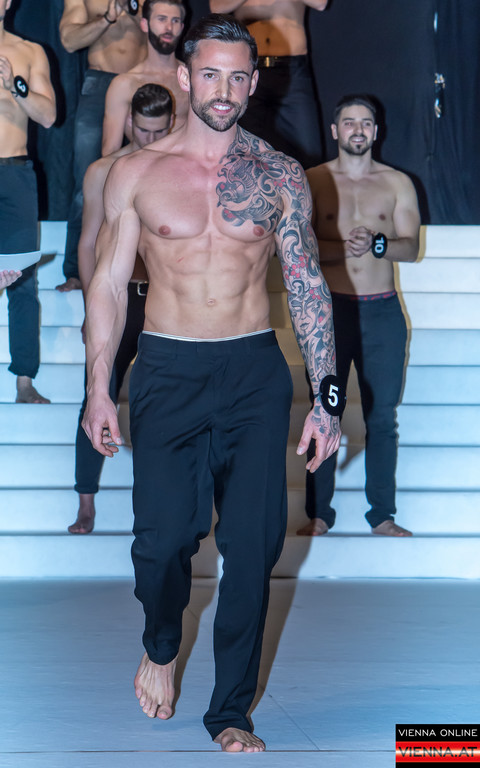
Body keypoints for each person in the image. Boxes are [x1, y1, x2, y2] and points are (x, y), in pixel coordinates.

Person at [82, 13, 340, 752]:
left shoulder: (280, 175)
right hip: (167, 368)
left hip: (254, 370)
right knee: (161, 543)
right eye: (210, 75)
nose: (223, 90)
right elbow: (108, 285)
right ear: (185, 77)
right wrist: (99, 388)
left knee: (253, 550)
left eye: (237, 77)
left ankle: (230, 712)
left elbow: (308, 284)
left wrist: (326, 397)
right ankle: (161, 642)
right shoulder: (136, 173)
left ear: (253, 83)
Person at [297, 94, 420, 538]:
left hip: (381, 312)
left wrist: (377, 243)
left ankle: (381, 514)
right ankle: (318, 513)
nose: (358, 130)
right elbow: (295, 248)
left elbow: (411, 247)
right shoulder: (312, 179)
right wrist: (344, 250)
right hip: (329, 314)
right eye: (349, 122)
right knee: (325, 409)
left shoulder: (396, 182)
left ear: (376, 131)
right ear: (335, 130)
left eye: (365, 123)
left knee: (382, 417)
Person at [69, 83, 173, 534]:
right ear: (130, 122)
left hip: (162, 299)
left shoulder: (176, 167)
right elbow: (88, 243)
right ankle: (85, 502)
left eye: (160, 130)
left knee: (160, 402)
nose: (151, 139)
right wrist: (91, 308)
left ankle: (158, 503)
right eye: (144, 130)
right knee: (97, 391)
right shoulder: (103, 171)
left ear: (172, 124)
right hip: (116, 294)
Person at [57, 0, 147, 291]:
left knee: (150, 177)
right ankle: (75, 270)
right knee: (88, 177)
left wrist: (132, 9)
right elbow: (69, 40)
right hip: (99, 82)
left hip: (142, 82)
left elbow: (166, 27)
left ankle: (145, 265)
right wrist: (107, 17)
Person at [0, 0, 56, 404]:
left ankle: (24, 381)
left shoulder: (29, 51)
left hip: (15, 173)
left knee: (21, 278)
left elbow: (49, 116)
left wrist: (13, 84)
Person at [209, 0, 327, 168]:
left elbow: (320, 3)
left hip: (292, 69)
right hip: (249, 70)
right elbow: (216, 7)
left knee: (308, 152)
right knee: (245, 152)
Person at [101, 0, 188, 156]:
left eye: (175, 21)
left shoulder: (192, 79)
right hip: (140, 166)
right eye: (161, 19)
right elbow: (110, 151)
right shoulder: (124, 84)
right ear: (144, 24)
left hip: (186, 166)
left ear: (182, 27)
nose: (169, 28)